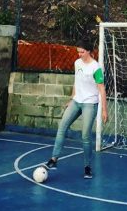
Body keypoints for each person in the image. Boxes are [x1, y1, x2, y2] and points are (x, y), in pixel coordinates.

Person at [44, 39, 108, 179]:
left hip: (90, 103)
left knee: (85, 135)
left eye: (82, 52)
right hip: (76, 101)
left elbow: (102, 90)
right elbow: (76, 81)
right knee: (62, 127)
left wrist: (104, 110)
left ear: (89, 51)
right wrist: (72, 98)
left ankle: (87, 167)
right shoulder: (77, 63)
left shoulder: (96, 68)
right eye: (78, 51)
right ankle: (54, 160)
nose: (79, 54)